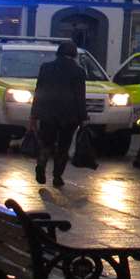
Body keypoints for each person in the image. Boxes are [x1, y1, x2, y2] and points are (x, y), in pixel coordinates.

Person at [30, 41, 95, 186]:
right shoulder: (78, 71)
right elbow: (80, 96)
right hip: (69, 115)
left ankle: (41, 165)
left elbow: (39, 91)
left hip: (47, 113)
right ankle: (57, 176)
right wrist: (83, 117)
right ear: (74, 54)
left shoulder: (46, 68)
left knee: (46, 143)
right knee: (63, 146)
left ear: (58, 52)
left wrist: (34, 114)